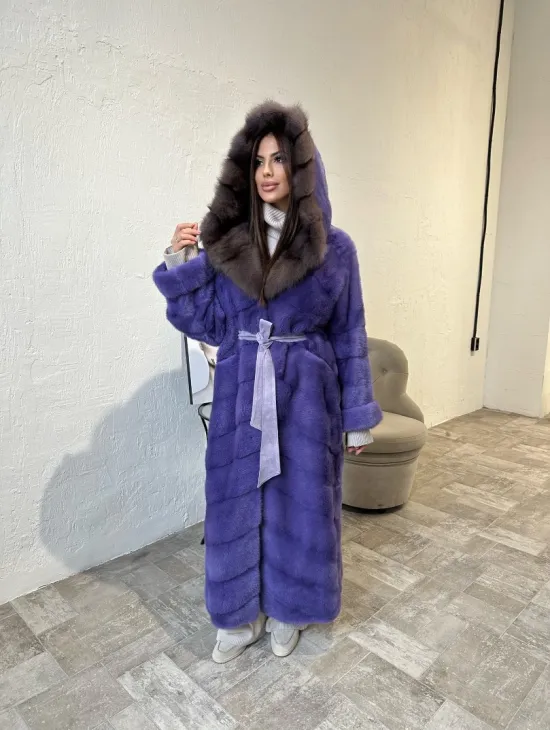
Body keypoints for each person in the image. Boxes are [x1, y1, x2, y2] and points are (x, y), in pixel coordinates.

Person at [153, 101, 382, 664]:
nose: (267, 172)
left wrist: (356, 416)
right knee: (235, 502)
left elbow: (350, 330)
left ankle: (290, 608)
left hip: (306, 398)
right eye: (258, 162)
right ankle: (237, 616)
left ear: (301, 167)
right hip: (239, 390)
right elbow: (206, 323)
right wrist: (183, 261)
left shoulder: (336, 249)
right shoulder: (231, 243)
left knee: (299, 504)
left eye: (279, 159)